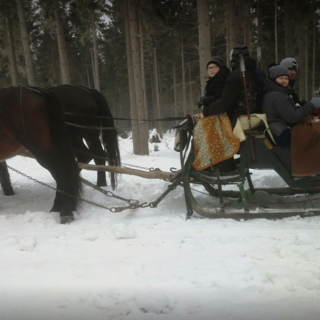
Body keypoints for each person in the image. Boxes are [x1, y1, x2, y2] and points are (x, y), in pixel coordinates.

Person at [203, 45, 262, 127]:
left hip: (239, 116)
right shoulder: (255, 73)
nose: (212, 70)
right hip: (258, 114)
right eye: (210, 68)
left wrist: (209, 111)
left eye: (215, 67)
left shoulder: (235, 76)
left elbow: (225, 101)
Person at [262, 65, 320, 146]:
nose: (284, 81)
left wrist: (306, 105)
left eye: (286, 78)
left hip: (282, 128)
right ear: (273, 79)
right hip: (282, 133)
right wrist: (311, 105)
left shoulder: (279, 92)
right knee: (316, 135)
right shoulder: (277, 95)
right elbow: (292, 117)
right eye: (281, 78)